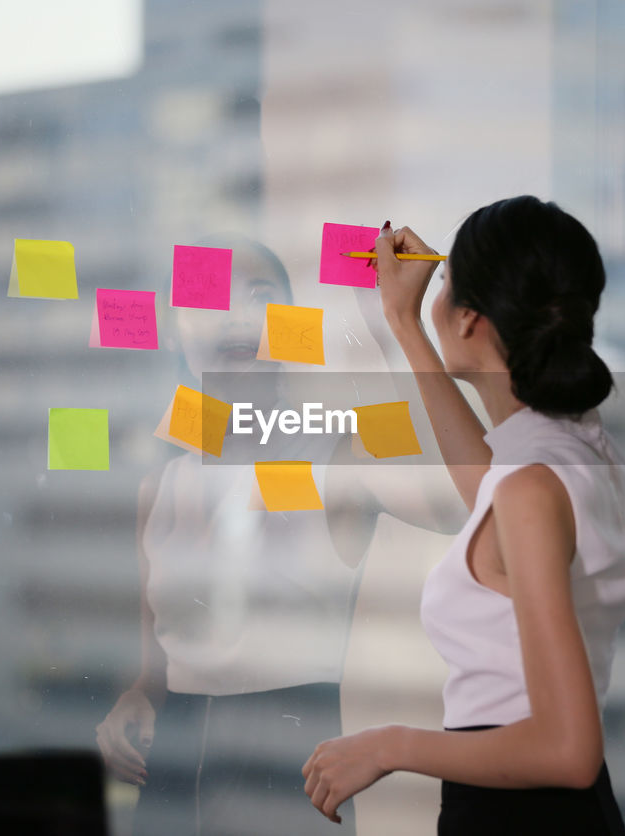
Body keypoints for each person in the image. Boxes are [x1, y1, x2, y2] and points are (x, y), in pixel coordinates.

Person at [94, 235, 462, 836]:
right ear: (175, 331)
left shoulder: (338, 456)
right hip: (170, 788)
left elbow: (449, 499)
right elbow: (153, 672)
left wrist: (398, 327)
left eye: (260, 294)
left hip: (291, 785)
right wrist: (131, 704)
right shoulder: (158, 488)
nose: (236, 313)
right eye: (208, 297)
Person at [301, 196, 625, 834]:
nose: (437, 292)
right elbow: (487, 488)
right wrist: (406, 323)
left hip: (522, 814)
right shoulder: (570, 448)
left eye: (446, 283)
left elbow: (568, 751)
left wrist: (387, 746)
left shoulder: (533, 486)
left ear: (472, 321)